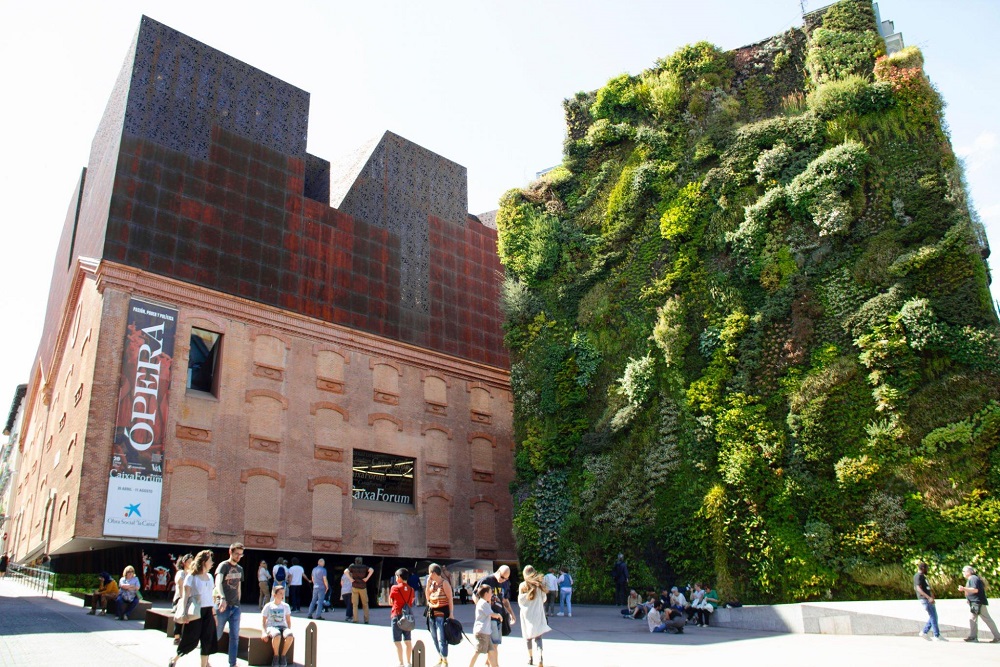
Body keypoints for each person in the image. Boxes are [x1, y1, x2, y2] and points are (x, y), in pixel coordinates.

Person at [169, 550, 218, 667]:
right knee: (191, 639)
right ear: (204, 562)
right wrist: (184, 614)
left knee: (207, 639)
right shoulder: (191, 577)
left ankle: (204, 664)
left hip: (208, 611)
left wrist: (214, 614)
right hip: (196, 611)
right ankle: (174, 659)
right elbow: (185, 596)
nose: (212, 563)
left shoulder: (210, 577)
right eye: (210, 560)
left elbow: (211, 596)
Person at [476, 565, 516, 667]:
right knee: (492, 646)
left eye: (506, 578)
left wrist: (512, 614)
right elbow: (475, 595)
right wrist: (482, 610)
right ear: (498, 572)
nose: (504, 580)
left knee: (495, 644)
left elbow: (505, 600)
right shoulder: (486, 580)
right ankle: (495, 665)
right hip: (490, 618)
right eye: (502, 577)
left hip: (499, 617)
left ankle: (488, 662)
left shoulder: (505, 584)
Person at [215, 542, 244, 667]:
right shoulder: (223, 566)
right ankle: (205, 659)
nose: (238, 556)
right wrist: (222, 597)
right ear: (230, 552)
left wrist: (238, 603)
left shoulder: (240, 569)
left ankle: (233, 663)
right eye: (236, 553)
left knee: (234, 637)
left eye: (241, 555)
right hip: (223, 606)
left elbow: (238, 587)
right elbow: (218, 583)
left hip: (235, 607)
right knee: (217, 634)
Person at [518, 566, 550, 667]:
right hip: (537, 612)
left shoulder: (522, 585)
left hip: (526, 614)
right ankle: (540, 657)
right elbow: (544, 599)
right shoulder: (539, 586)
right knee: (538, 637)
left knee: (528, 637)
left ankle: (530, 658)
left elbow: (520, 601)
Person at [959, 564, 1000, 643]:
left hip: (977, 602)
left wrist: (963, 588)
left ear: (969, 572)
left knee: (977, 619)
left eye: (964, 571)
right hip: (977, 602)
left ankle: (974, 637)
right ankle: (997, 637)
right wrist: (968, 598)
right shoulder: (972, 578)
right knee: (981, 619)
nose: (962, 572)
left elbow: (975, 590)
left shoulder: (973, 578)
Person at [427, 563, 456, 666]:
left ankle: (445, 659)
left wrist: (451, 613)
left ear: (433, 573)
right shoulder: (433, 584)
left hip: (441, 615)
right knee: (434, 637)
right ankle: (440, 657)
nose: (428, 575)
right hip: (432, 614)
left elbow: (450, 599)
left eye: (429, 573)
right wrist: (428, 584)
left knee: (441, 637)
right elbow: (427, 597)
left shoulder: (445, 583)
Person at [261, 584, 294, 667]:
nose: (282, 595)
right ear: (274, 594)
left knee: (290, 636)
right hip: (271, 627)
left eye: (283, 593)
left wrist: (288, 629)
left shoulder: (286, 606)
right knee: (277, 635)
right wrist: (264, 632)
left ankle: (283, 656)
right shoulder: (268, 606)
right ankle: (276, 656)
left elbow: (288, 620)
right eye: (280, 593)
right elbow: (263, 621)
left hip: (283, 626)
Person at [469, 584, 501, 667]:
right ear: (486, 594)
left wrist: (490, 601)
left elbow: (489, 610)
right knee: (478, 651)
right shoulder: (483, 603)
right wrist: (499, 615)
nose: (492, 594)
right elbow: (492, 614)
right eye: (491, 592)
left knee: (491, 651)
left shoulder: (483, 602)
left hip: (485, 632)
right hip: (482, 632)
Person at [389, 568, 415, 667]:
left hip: (397, 615)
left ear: (399, 577)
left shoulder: (394, 588)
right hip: (407, 617)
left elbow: (391, 602)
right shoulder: (411, 589)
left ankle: (401, 663)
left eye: (396, 576)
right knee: (408, 641)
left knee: (397, 641)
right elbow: (411, 602)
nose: (396, 579)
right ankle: (409, 662)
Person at [914, 561, 943, 641]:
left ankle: (924, 632)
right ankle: (936, 635)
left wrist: (932, 596)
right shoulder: (918, 576)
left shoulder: (922, 576)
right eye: (927, 568)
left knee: (933, 616)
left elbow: (926, 588)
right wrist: (928, 597)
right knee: (933, 616)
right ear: (923, 568)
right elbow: (918, 588)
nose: (927, 570)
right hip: (925, 599)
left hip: (928, 599)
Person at [172, 554, 193, 645]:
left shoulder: (193, 573)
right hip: (181, 598)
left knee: (190, 618)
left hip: (190, 598)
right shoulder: (181, 572)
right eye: (189, 562)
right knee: (180, 618)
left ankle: (188, 637)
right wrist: (182, 598)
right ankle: (177, 637)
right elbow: (180, 584)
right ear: (184, 563)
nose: (191, 563)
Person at [349, 556, 374, 624]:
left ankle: (355, 619)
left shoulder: (353, 567)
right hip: (363, 587)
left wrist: (350, 578)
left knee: (355, 604)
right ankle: (366, 620)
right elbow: (371, 570)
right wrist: (367, 578)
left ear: (355, 561)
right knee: (365, 604)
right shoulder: (364, 567)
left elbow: (345, 571)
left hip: (355, 586)